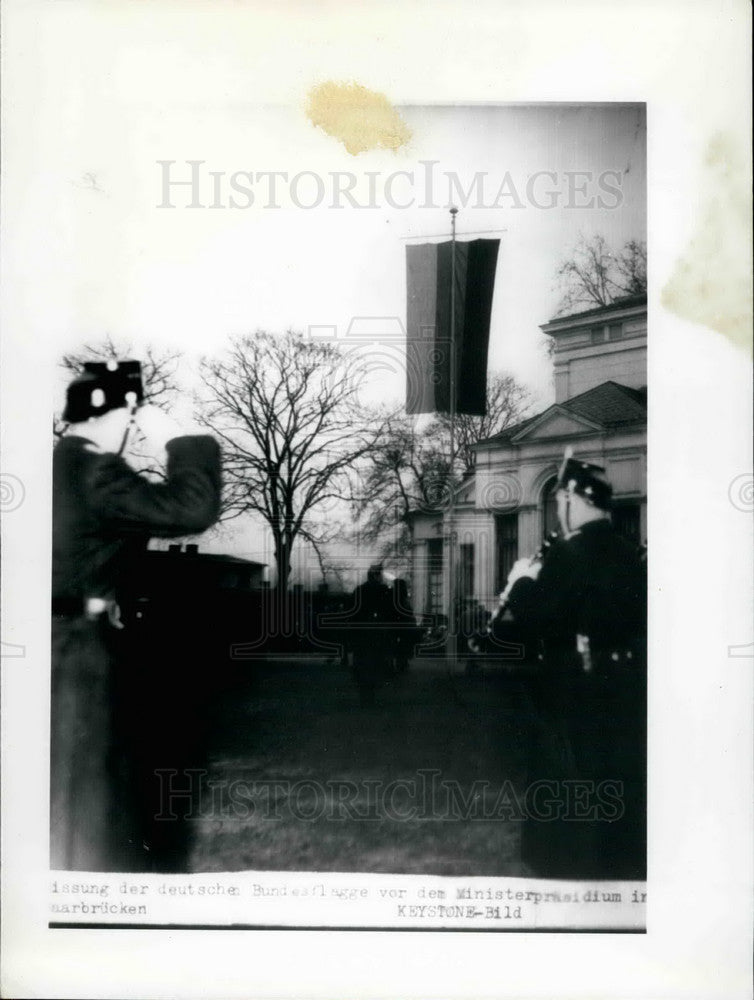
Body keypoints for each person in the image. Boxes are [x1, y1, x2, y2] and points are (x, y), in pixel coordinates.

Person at [51, 361, 222, 871]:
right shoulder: (96, 470)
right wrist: (181, 439)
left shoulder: (53, 466)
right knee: (85, 798)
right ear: (123, 413)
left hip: (50, 641)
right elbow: (191, 510)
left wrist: (105, 591)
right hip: (74, 656)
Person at [505, 449, 646, 879]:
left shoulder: (568, 555)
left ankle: (565, 869)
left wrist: (519, 586)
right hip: (624, 690)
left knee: (569, 788)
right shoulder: (631, 553)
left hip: (572, 693)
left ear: (572, 501)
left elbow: (542, 622)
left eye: (561, 503)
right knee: (619, 782)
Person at [348, 564, 397, 706]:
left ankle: (365, 691)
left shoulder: (359, 591)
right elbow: (391, 614)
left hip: (361, 634)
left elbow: (351, 613)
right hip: (378, 634)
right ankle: (372, 688)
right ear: (377, 575)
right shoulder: (385, 592)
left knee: (362, 663)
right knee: (376, 662)